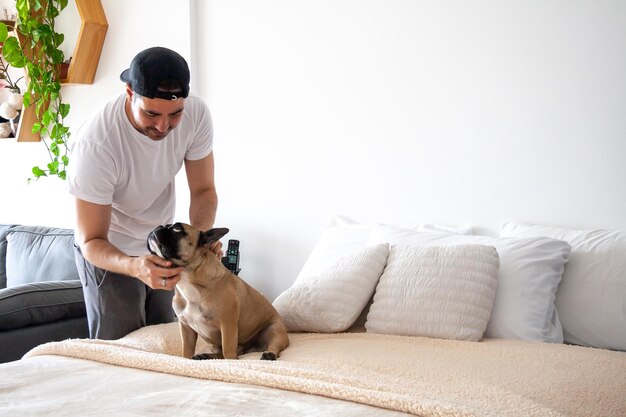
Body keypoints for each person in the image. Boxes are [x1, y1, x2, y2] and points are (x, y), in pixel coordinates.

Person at [67, 46, 221, 340]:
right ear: (129, 93)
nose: (163, 126)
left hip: (162, 246)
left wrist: (198, 240)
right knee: (123, 352)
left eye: (175, 115)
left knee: (168, 340)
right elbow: (90, 240)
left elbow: (203, 190)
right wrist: (135, 266)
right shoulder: (96, 144)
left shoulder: (197, 114)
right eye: (151, 114)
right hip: (110, 250)